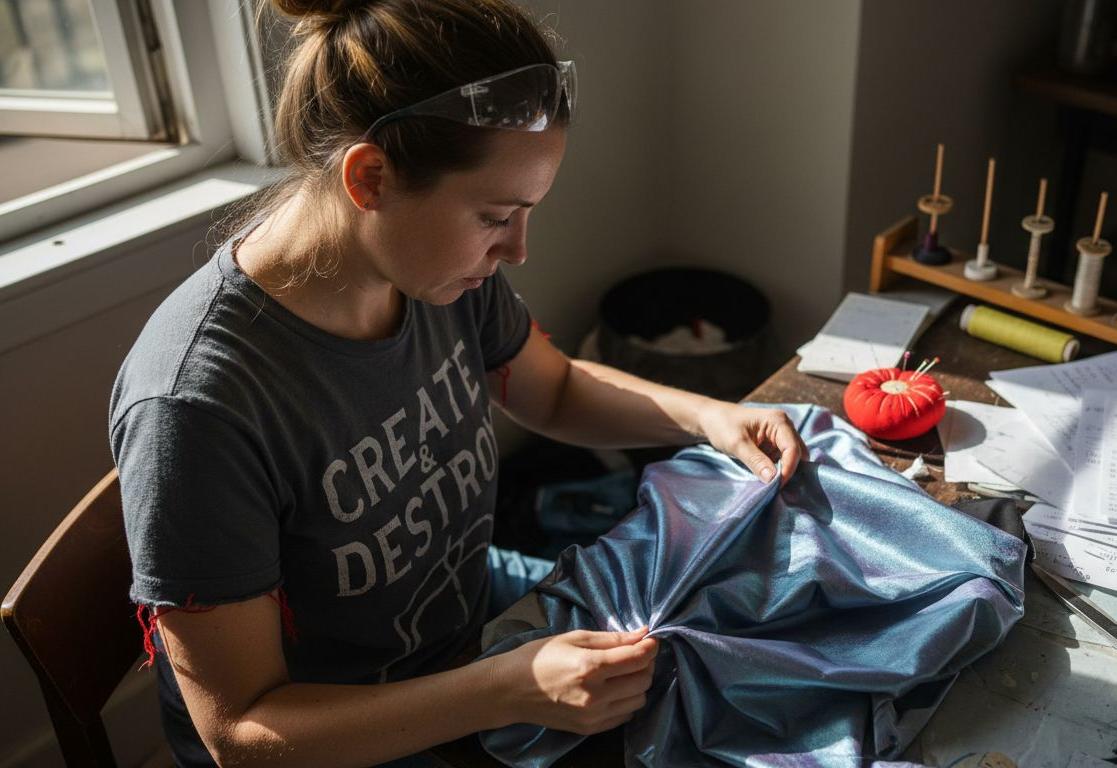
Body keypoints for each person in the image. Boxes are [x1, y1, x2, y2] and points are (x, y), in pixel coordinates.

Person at [108, 0, 805, 765]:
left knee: (746, 649)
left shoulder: (432, 274)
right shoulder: (198, 407)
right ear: (370, 178)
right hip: (346, 726)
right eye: (495, 216)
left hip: (467, 618)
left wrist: (712, 418)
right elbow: (240, 733)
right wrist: (502, 688)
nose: (518, 249)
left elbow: (555, 392)